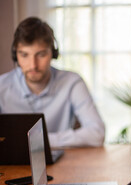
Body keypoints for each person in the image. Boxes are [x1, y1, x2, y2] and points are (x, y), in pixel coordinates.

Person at [0, 17, 105, 148]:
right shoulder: (2, 86)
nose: (33, 65)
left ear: (53, 53)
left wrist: (40, 141)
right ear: (16, 55)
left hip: (63, 165)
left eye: (41, 54)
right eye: (24, 55)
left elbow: (97, 133)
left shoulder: (72, 83)